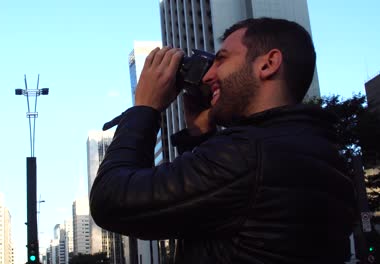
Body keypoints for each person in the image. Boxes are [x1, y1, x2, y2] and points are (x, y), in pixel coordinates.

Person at [90, 17, 355, 263]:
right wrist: (200, 135)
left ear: (268, 64)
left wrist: (145, 109)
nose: (207, 76)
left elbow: (111, 200)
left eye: (222, 60)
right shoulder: (319, 153)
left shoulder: (249, 154)